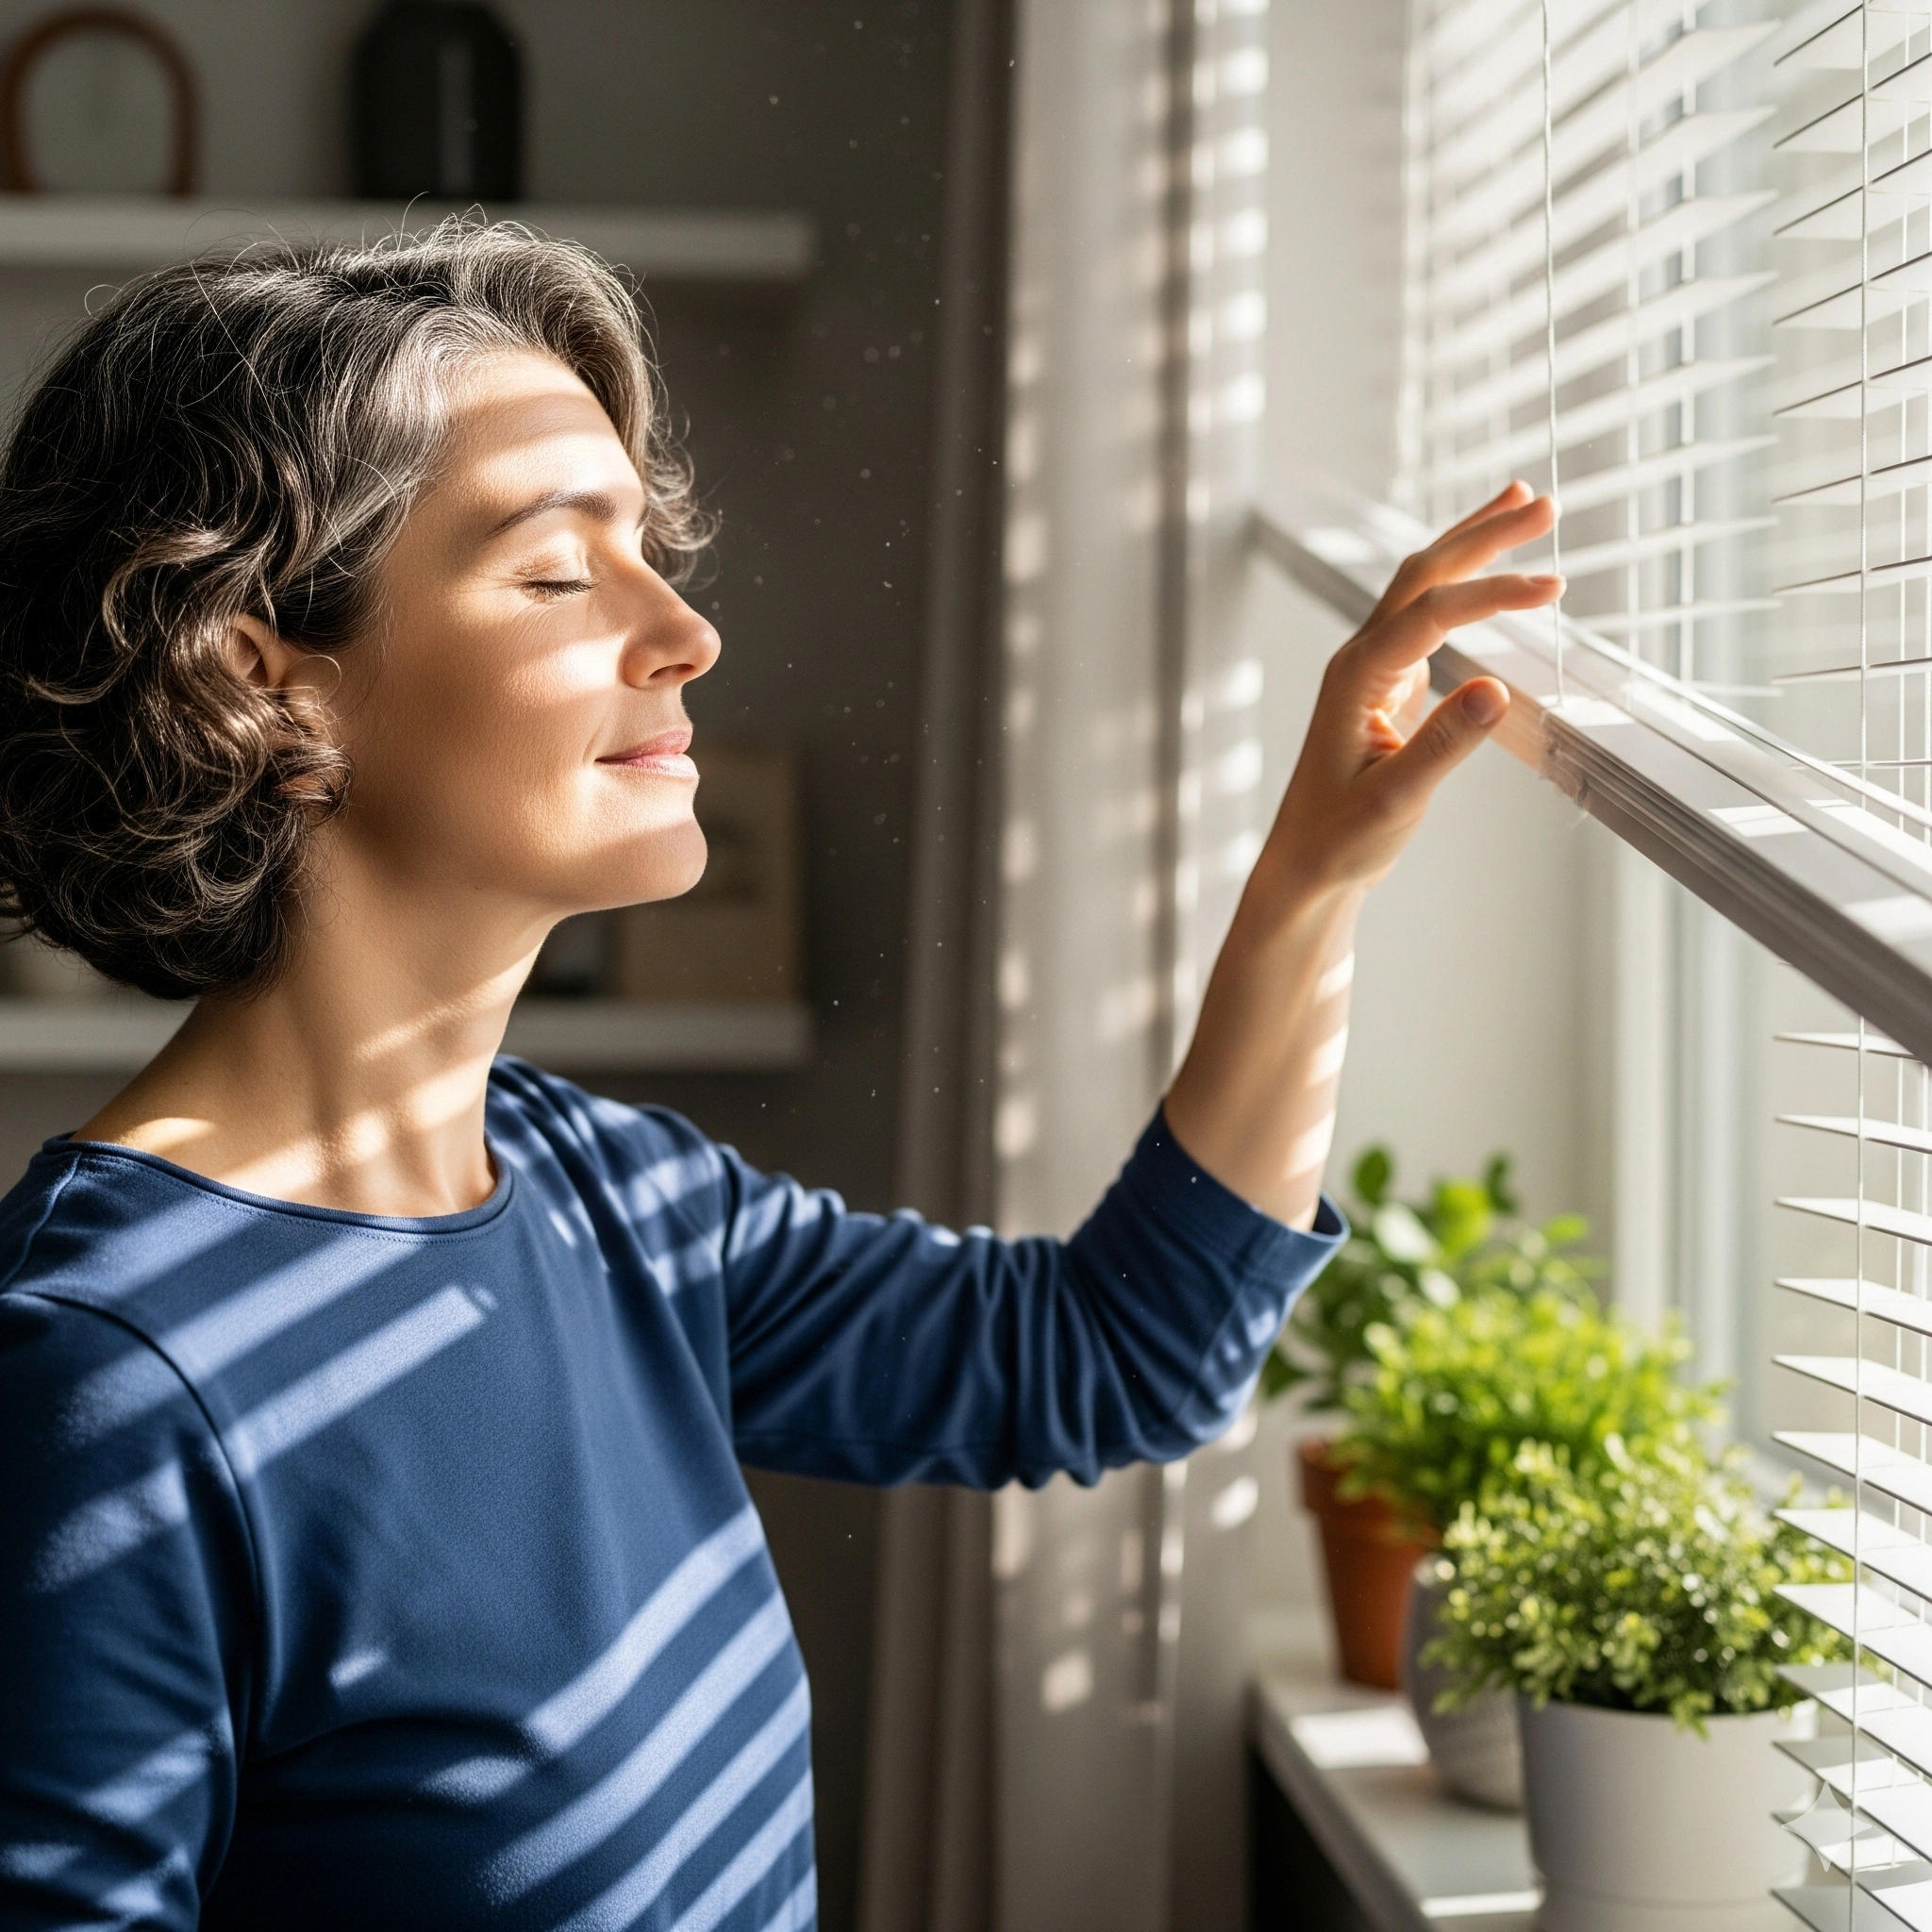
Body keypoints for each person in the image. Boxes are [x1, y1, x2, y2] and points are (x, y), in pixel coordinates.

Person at [0, 225, 1557, 1931]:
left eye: (646, 552)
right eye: (552, 572)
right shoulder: (113, 1380)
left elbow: (1115, 1359)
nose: (685, 631)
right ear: (259, 673)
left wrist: (1311, 882)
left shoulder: (604, 1196)